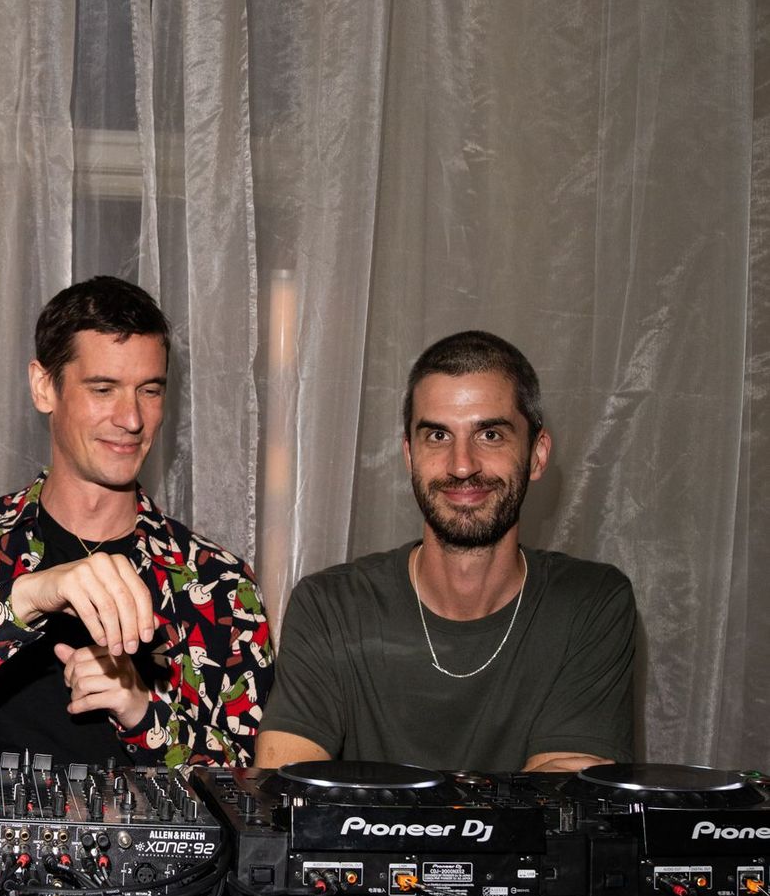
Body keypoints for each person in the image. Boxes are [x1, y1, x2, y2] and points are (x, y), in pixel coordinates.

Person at [0, 277, 271, 765]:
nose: (132, 419)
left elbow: (248, 786)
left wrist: (144, 713)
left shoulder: (218, 584)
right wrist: (29, 596)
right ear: (44, 387)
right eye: (103, 389)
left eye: (149, 390)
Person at [256, 331, 636, 774]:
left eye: (490, 434)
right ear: (409, 455)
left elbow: (562, 797)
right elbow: (285, 787)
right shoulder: (331, 606)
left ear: (537, 454)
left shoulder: (589, 603)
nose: (462, 465)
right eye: (437, 435)